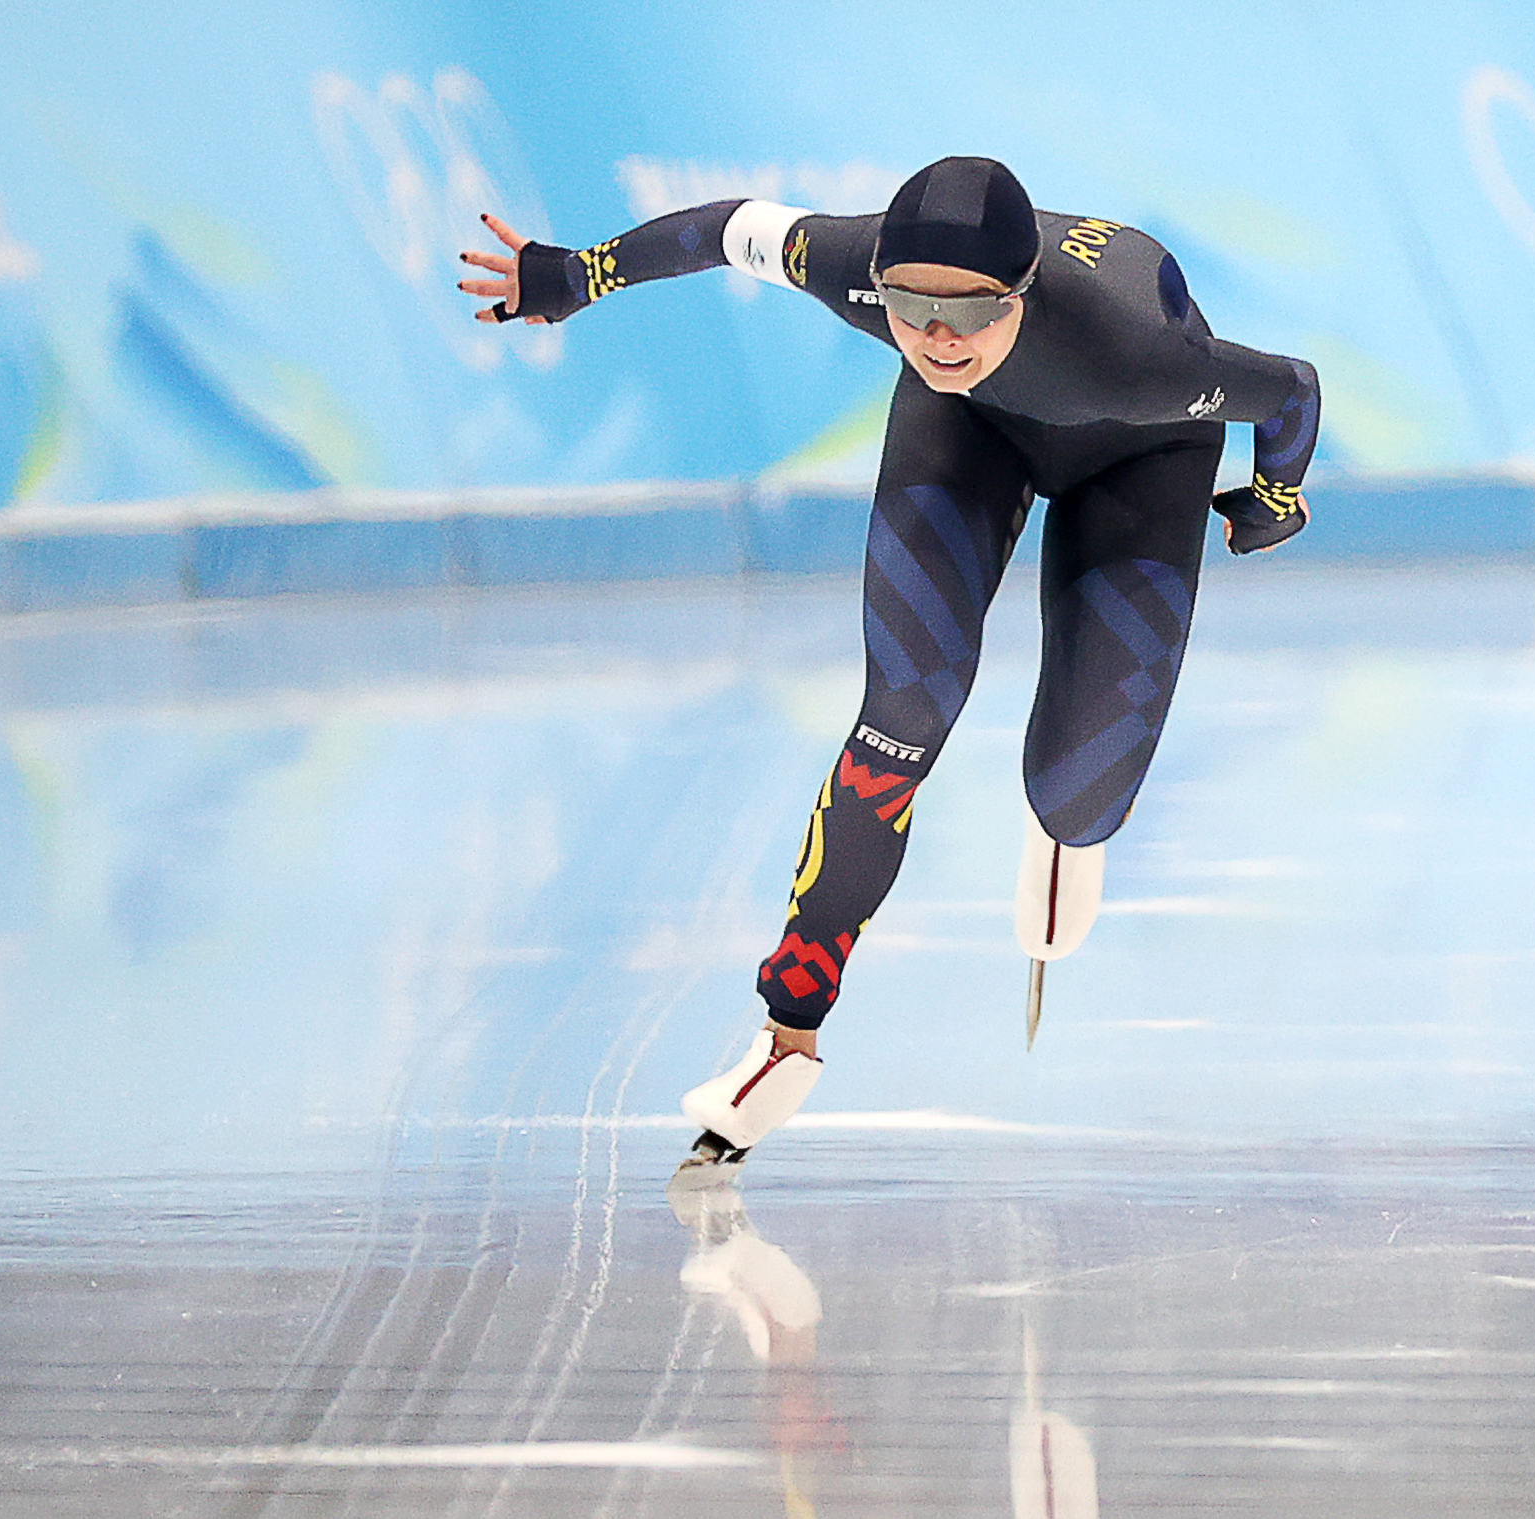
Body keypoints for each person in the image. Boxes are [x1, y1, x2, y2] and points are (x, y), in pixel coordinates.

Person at [460, 157, 1320, 1177]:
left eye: (969, 312)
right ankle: (786, 1035)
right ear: (881, 279)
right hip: (971, 433)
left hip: (1138, 451)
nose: (938, 336)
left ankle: (1069, 828)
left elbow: (1291, 391)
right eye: (911, 307)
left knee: (1076, 797)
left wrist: (1274, 501)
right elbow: (725, 228)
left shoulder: (1134, 356)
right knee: (899, 716)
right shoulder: (852, 265)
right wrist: (573, 275)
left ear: (1026, 292)